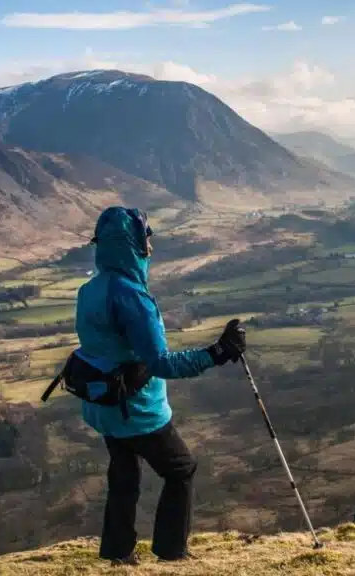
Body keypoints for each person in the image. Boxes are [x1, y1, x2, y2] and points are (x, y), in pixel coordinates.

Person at [73, 206, 246, 565]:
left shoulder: (90, 289)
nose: (150, 244)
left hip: (103, 404)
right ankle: (171, 551)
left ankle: (118, 553)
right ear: (132, 243)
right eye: (145, 237)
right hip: (136, 410)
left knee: (124, 476)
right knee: (181, 469)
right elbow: (161, 363)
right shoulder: (131, 297)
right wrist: (217, 352)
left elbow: (102, 346)